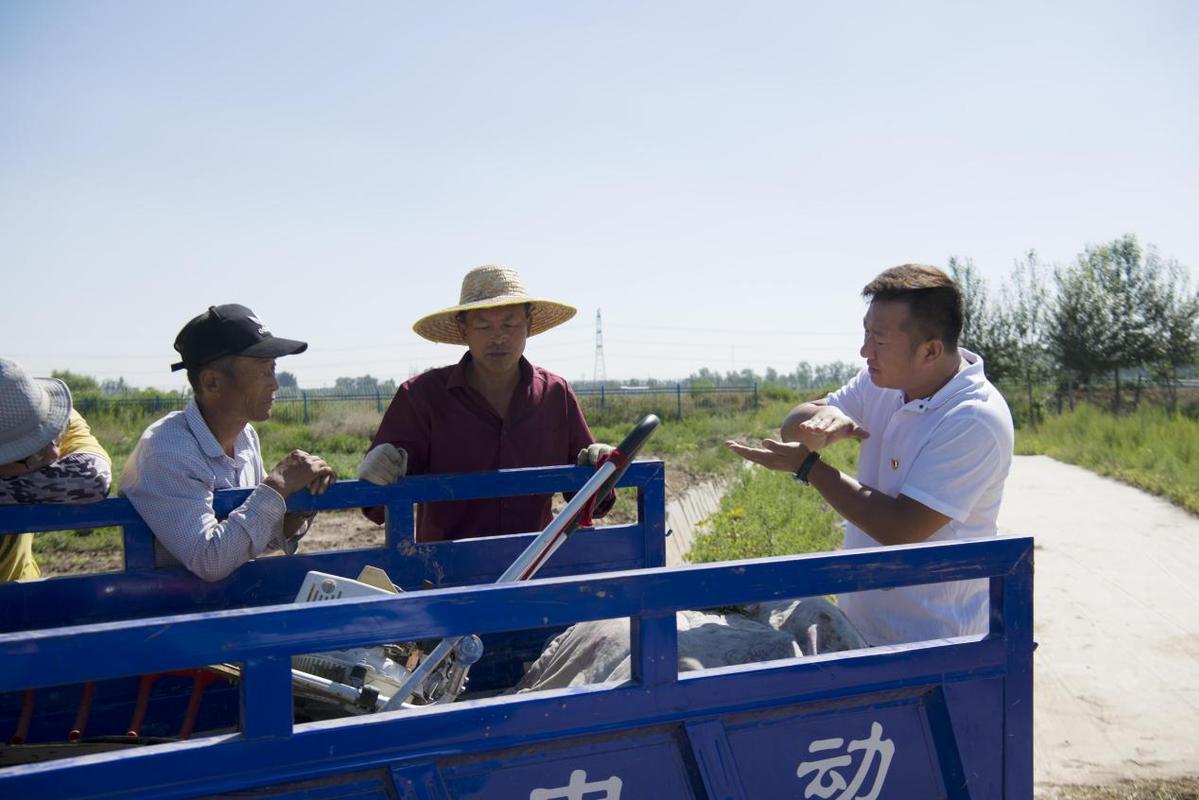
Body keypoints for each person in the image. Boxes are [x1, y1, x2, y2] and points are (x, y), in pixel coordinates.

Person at [727, 264, 1014, 645]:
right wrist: (822, 417)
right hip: (864, 627)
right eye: (865, 333)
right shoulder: (882, 382)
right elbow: (792, 425)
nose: (865, 351)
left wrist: (810, 467)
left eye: (878, 340)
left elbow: (900, 529)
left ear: (930, 350)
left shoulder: (973, 418)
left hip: (932, 642)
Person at [358, 264, 614, 541]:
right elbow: (377, 504)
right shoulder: (422, 397)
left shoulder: (556, 395)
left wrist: (600, 465)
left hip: (533, 564)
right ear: (463, 328)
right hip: (444, 571)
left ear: (528, 324)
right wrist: (375, 472)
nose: (498, 337)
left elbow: (592, 501)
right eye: (483, 325)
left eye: (510, 323)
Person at [121, 304, 336, 582]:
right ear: (212, 382)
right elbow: (209, 560)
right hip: (168, 612)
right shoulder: (167, 451)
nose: (274, 384)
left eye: (273, 369)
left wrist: (299, 508)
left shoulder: (245, 437)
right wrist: (277, 487)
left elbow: (252, 539)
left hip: (222, 604)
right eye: (262, 371)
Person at [0, 358, 112, 581]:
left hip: (23, 593)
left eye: (52, 436)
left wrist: (25, 464)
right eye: (28, 451)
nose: (52, 455)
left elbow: (91, 480)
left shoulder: (40, 409)